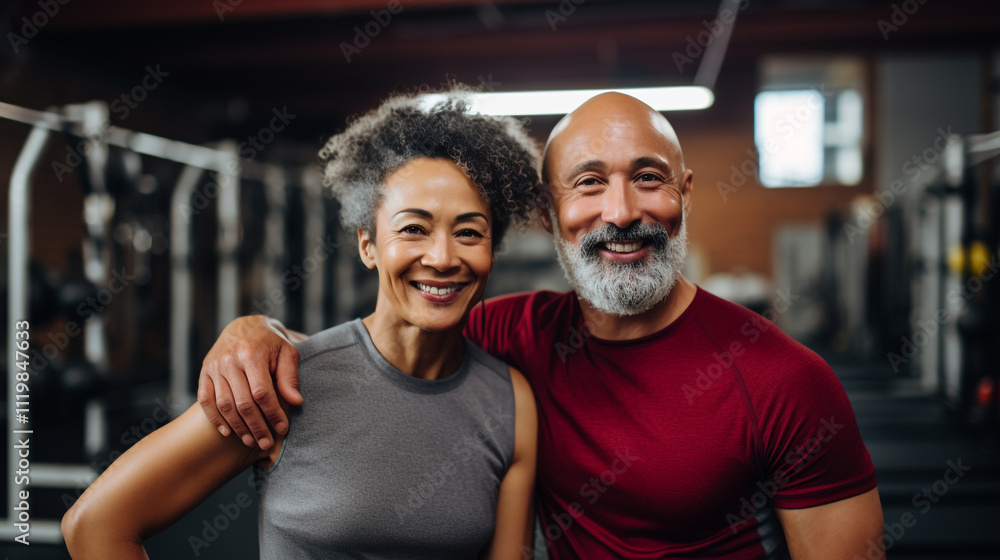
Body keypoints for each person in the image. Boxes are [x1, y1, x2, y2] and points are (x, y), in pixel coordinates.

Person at [198, 92, 886, 559]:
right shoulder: (504, 335)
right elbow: (383, 349)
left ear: (684, 192)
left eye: (647, 178)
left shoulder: (783, 378)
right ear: (549, 212)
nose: (620, 211)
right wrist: (258, 331)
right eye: (588, 183)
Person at [61, 92, 542, 559]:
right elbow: (97, 525)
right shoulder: (284, 380)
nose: (441, 257)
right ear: (368, 245)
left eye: (468, 233)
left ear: (491, 251)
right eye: (413, 228)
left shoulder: (509, 402)